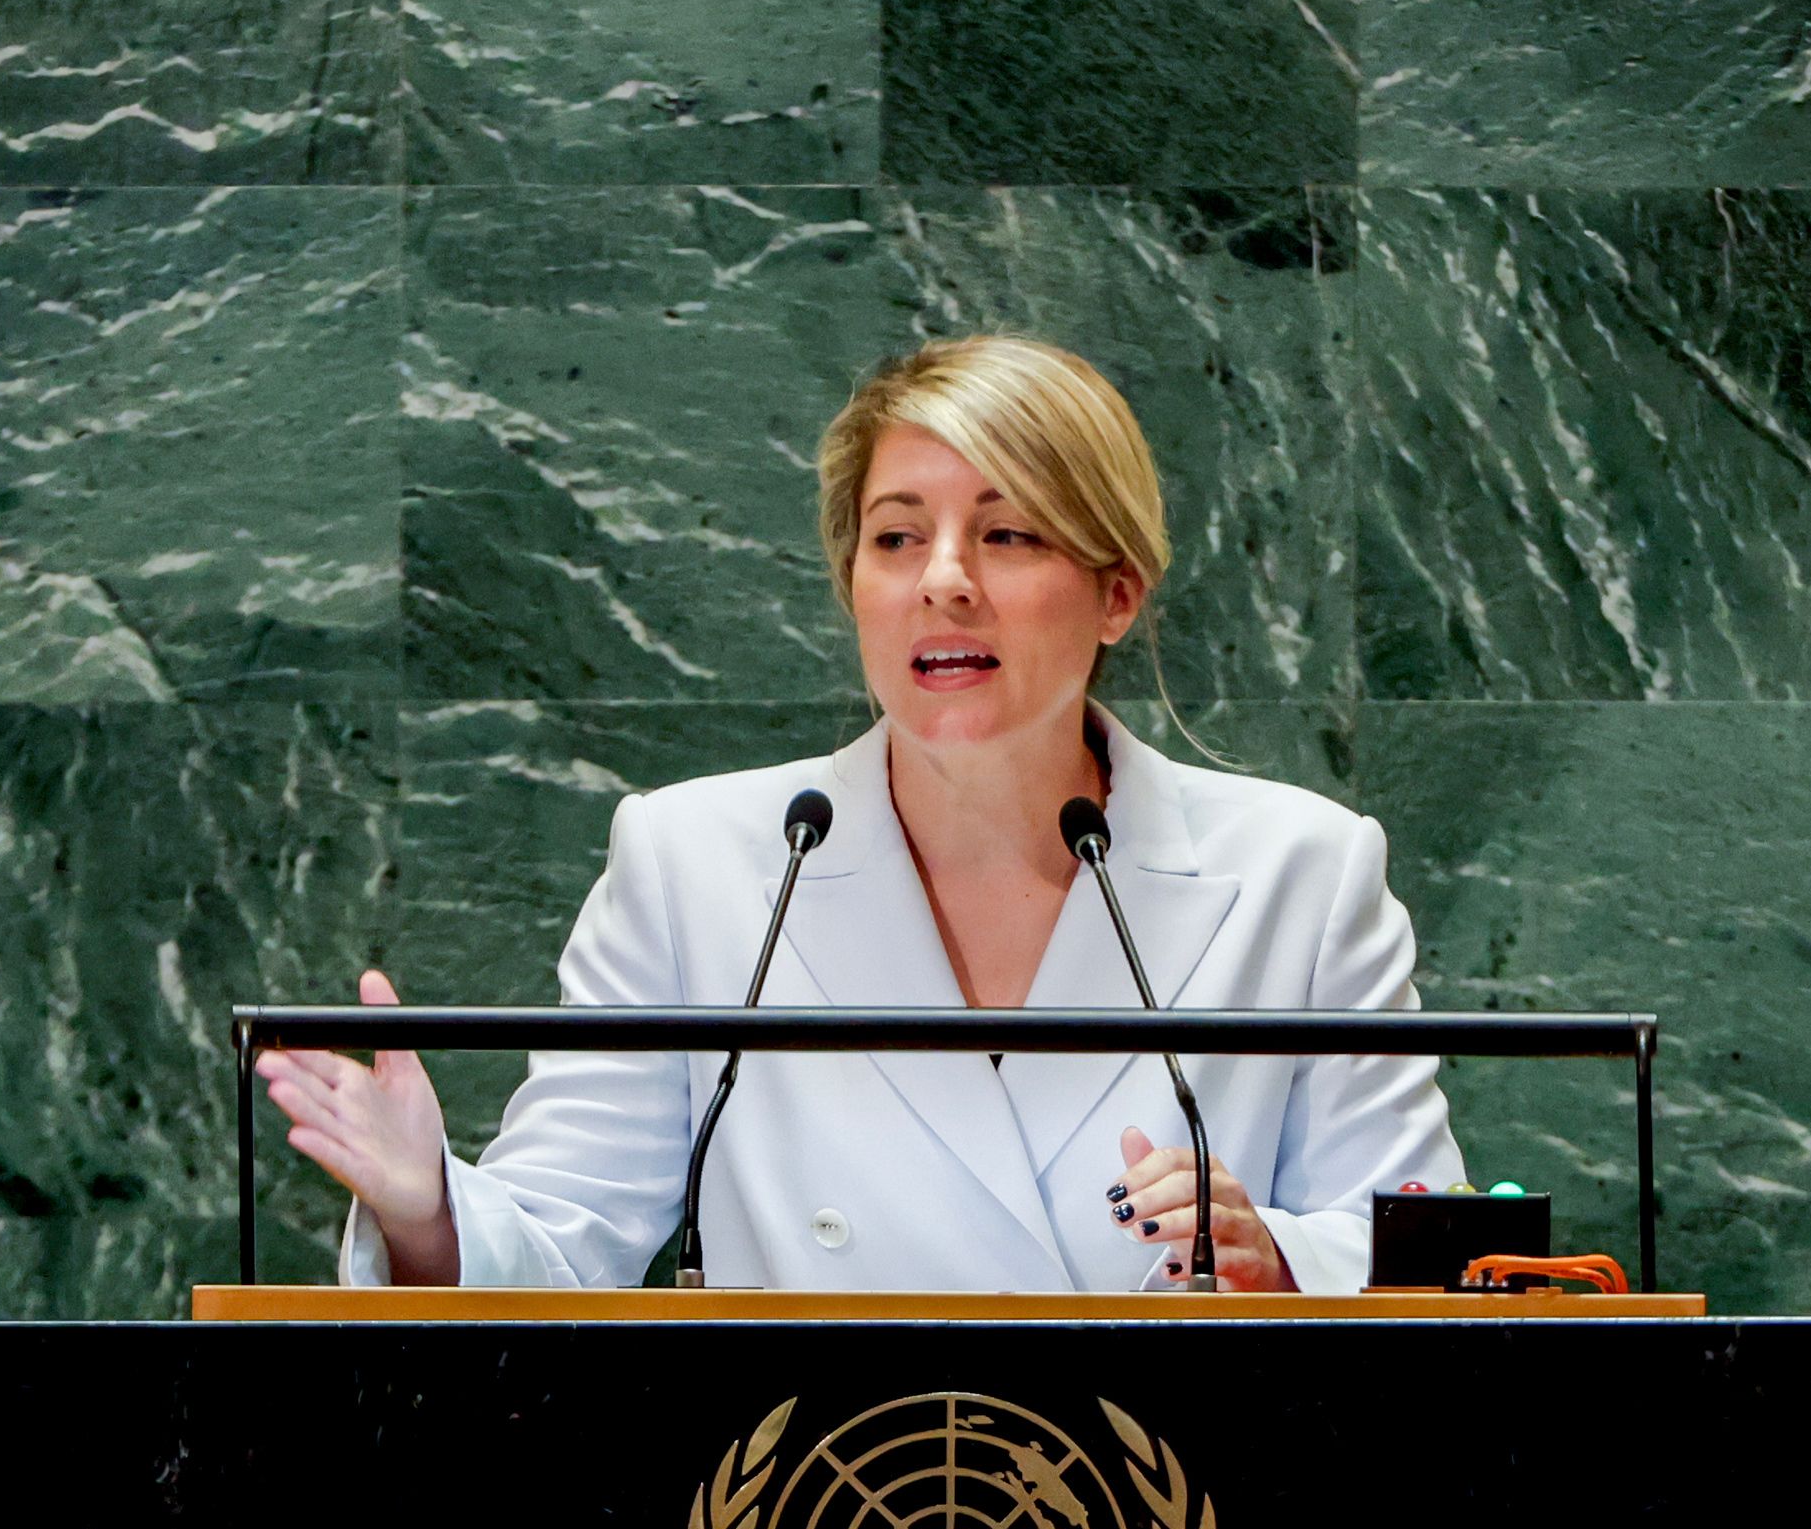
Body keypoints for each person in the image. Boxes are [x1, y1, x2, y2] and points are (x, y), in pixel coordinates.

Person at [259, 335, 1461, 1293]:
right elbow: (560, 1248)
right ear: (854, 587)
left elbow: (1430, 1259)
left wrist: (1281, 1257)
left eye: (1006, 532)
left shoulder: (1302, 873)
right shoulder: (694, 864)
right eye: (897, 537)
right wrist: (425, 1203)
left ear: (1115, 594)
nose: (943, 577)